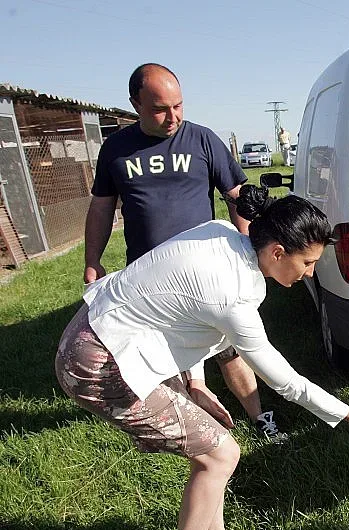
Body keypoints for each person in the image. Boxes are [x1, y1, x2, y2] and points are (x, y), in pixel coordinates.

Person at [56, 186, 349, 530]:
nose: (311, 274)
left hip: (101, 333)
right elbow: (287, 382)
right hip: (98, 363)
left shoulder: (222, 233)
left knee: (213, 437)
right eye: (308, 263)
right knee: (221, 454)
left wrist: (196, 384)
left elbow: (180, 312)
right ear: (277, 252)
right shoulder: (233, 295)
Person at [84, 62, 285, 441]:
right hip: (150, 282)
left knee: (230, 350)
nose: (173, 116)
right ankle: (191, 432)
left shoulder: (202, 140)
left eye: (178, 106)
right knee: (162, 356)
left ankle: (261, 418)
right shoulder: (116, 148)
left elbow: (237, 196)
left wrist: (250, 252)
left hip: (207, 275)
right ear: (135, 104)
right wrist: (92, 259)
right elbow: (101, 207)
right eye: (160, 109)